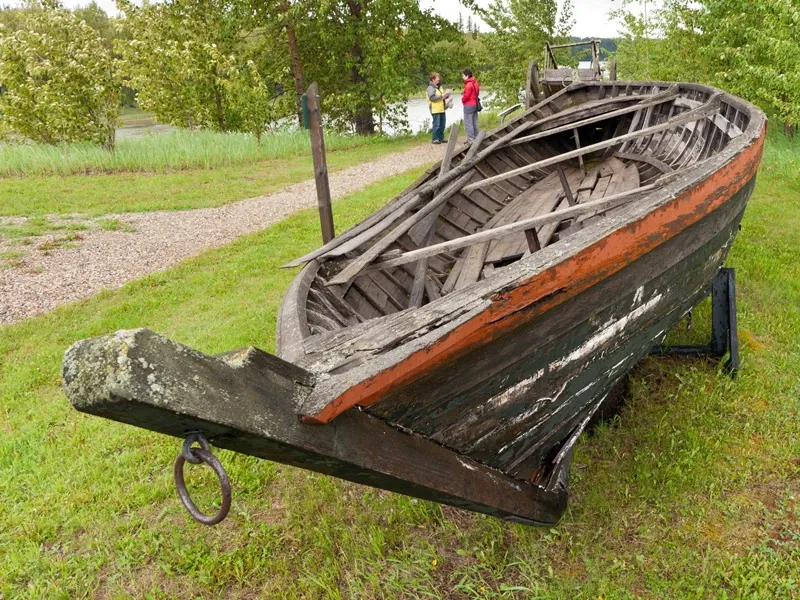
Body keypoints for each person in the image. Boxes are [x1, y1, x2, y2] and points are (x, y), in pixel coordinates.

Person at [427, 72, 450, 144]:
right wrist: (441, 96)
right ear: (433, 79)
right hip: (435, 109)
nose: (439, 79)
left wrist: (446, 96)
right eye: (437, 78)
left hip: (441, 108)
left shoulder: (439, 87)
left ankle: (441, 138)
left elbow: (442, 96)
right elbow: (432, 97)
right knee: (436, 124)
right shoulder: (430, 88)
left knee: (442, 124)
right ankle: (435, 139)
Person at [461, 68, 480, 143]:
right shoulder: (475, 83)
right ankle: (476, 137)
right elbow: (477, 93)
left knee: (468, 123)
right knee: (474, 122)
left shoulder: (468, 84)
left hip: (469, 105)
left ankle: (471, 139)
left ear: (467, 76)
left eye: (463, 76)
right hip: (475, 104)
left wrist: (462, 100)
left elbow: (466, 96)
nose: (463, 77)